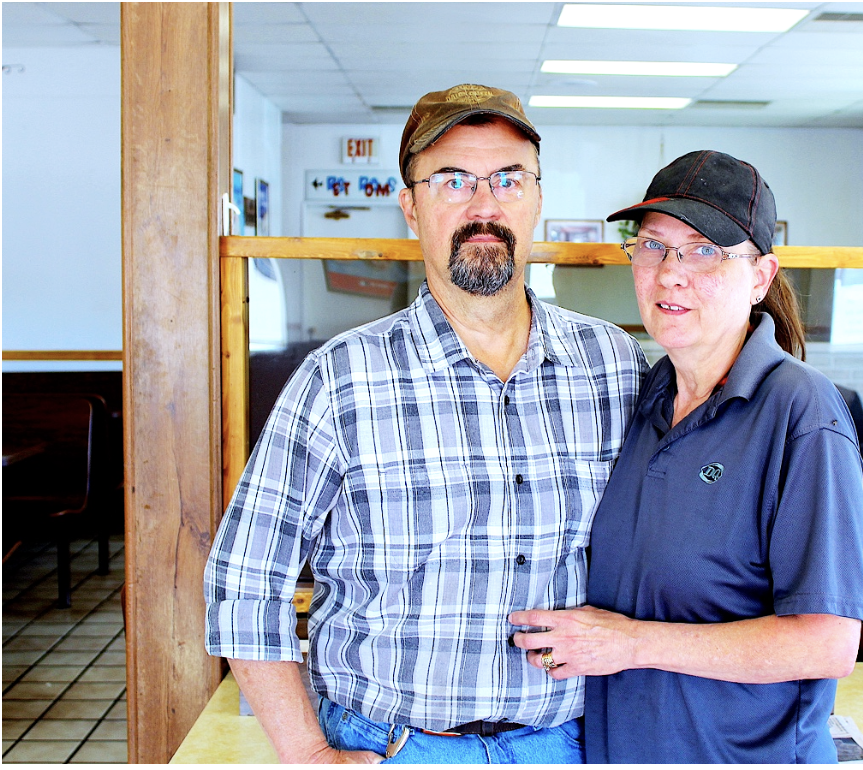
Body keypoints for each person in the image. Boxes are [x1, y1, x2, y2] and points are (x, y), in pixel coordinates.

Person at [203, 84, 647, 764]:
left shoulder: (614, 364)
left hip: (575, 742)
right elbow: (243, 580)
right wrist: (306, 753)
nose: (484, 206)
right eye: (452, 181)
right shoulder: (340, 378)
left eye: (507, 178)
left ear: (536, 197)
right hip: (393, 747)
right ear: (410, 206)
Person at [511, 150, 863, 763]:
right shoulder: (644, 395)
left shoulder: (801, 413)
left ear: (760, 276)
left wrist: (631, 645)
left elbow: (826, 645)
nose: (670, 273)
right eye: (652, 246)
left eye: (704, 250)